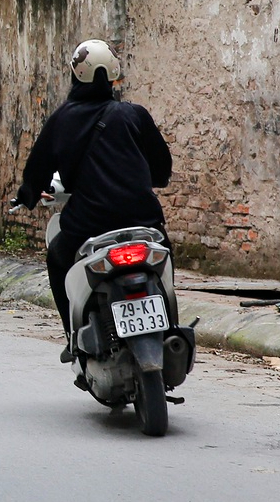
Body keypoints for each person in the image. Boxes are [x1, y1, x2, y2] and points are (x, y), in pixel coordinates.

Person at [10, 39, 173, 352]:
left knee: (57, 258)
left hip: (88, 225)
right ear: (114, 75)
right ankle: (170, 326)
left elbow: (37, 172)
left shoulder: (61, 120)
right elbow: (162, 167)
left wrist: (26, 197)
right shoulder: (133, 115)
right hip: (144, 219)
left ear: (75, 73)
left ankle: (74, 337)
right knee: (165, 254)